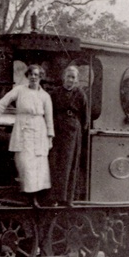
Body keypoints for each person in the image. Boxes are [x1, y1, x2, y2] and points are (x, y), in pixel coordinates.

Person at [0, 64, 54, 201]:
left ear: (40, 77)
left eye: (36, 75)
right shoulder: (19, 90)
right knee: (24, 161)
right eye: (31, 74)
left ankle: (37, 196)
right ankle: (26, 193)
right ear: (27, 76)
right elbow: (4, 101)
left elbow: (49, 117)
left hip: (39, 130)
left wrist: (50, 137)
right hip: (23, 129)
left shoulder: (45, 96)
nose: (33, 77)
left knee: (38, 163)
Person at [48, 65, 87, 205]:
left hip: (72, 131)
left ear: (76, 80)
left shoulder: (80, 94)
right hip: (57, 129)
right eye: (68, 76)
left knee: (70, 163)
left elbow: (84, 116)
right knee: (56, 163)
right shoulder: (55, 93)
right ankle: (54, 198)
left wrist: (76, 129)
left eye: (73, 77)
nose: (70, 79)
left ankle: (68, 198)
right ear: (64, 77)